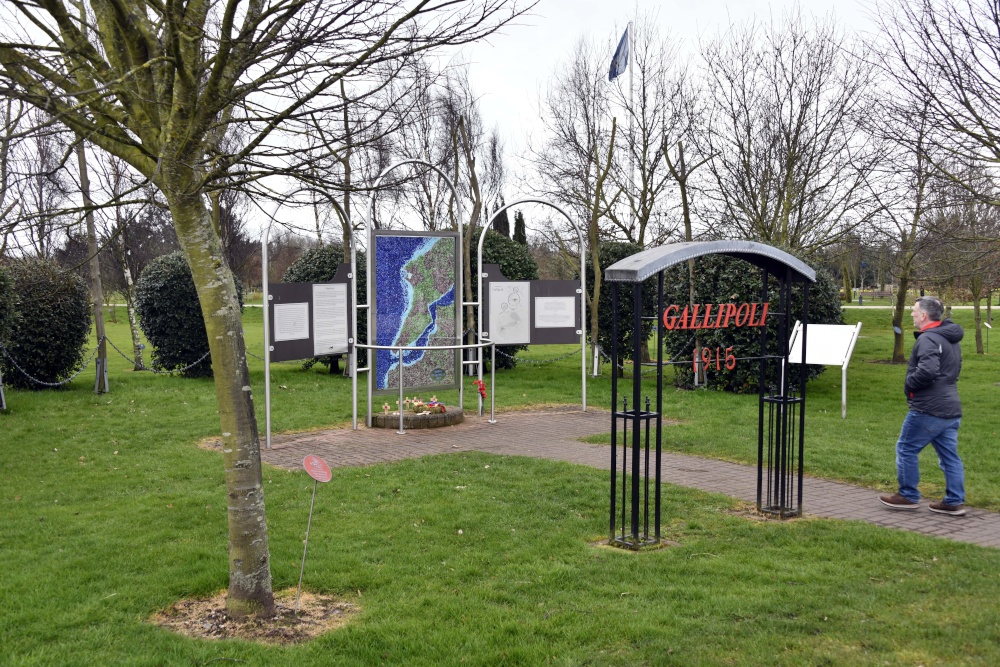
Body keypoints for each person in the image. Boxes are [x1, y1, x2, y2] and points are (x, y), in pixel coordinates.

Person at [879, 297, 966, 515]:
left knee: (906, 448)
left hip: (928, 408)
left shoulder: (928, 339)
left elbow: (927, 371)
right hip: (950, 407)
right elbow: (954, 370)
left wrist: (910, 385)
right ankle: (954, 500)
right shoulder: (950, 339)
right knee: (949, 456)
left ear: (924, 315)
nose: (911, 314)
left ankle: (907, 495)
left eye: (914, 311)